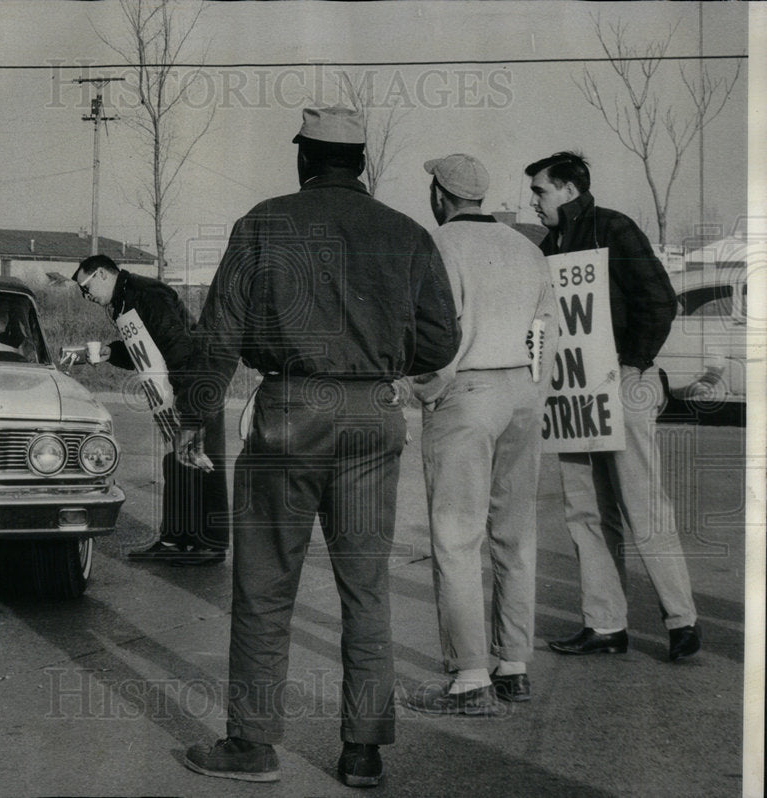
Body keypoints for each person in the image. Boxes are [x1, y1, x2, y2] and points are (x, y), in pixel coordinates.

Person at [174, 107, 459, 787]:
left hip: (290, 413)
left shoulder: (263, 224)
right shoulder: (408, 234)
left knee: (267, 584)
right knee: (367, 589)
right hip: (371, 417)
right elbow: (441, 341)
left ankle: (252, 744)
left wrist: (195, 418)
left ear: (305, 158)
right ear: (360, 162)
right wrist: (380, 360)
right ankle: (363, 751)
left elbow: (219, 335)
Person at [524, 151, 701, 661]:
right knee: (584, 511)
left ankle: (682, 619)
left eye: (540, 191)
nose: (533, 202)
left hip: (621, 384)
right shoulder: (549, 245)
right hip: (573, 395)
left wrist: (633, 362)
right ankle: (605, 626)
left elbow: (659, 298)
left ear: (568, 191)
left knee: (641, 503)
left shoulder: (615, 229)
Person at [405, 155, 559, 718]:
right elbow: (546, 329)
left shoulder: (438, 245)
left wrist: (429, 391)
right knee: (515, 534)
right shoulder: (528, 246)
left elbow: (434, 336)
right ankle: (513, 664)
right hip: (522, 392)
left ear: (440, 193)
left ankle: (470, 677)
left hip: (466, 393)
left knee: (456, 535)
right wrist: (533, 389)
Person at [73, 254, 229, 566]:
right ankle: (175, 539)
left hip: (194, 384)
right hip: (176, 387)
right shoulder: (124, 299)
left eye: (86, 288)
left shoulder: (147, 295)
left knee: (201, 459)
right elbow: (147, 350)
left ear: (102, 274)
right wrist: (112, 352)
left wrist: (189, 404)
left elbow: (178, 346)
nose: (86, 297)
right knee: (176, 462)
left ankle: (210, 544)